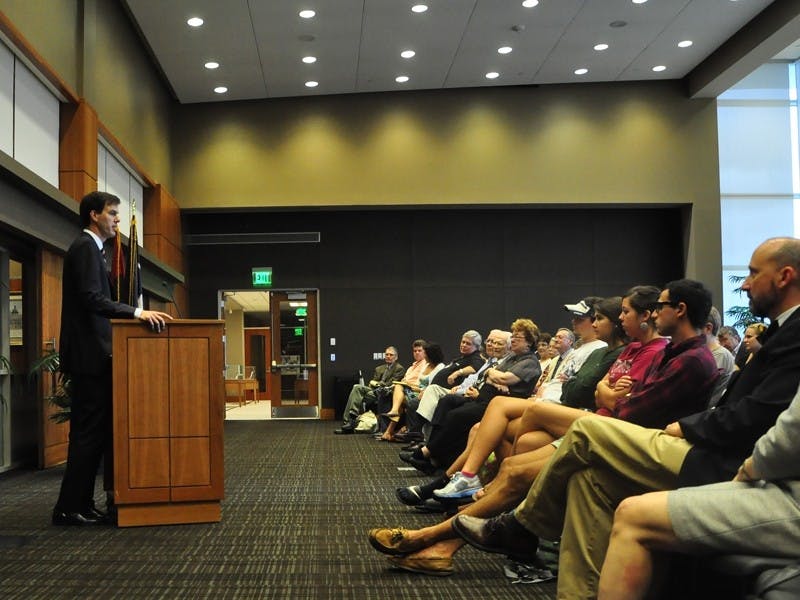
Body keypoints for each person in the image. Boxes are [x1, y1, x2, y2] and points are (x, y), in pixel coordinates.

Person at [450, 238, 800, 599]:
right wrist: (610, 394)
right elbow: (605, 394)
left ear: (785, 276)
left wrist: (690, 425)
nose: (744, 283)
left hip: (719, 456)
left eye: (754, 273)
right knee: (589, 480)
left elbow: (758, 417)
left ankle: (521, 523)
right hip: (705, 444)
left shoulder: (702, 356)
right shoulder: (757, 335)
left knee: (583, 428)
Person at [597, 380, 800, 600]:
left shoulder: (695, 359)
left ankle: (551, 529)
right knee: (590, 476)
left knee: (632, 514)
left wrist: (752, 466)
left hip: (766, 475)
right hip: (745, 459)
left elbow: (789, 437)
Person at [53, 191, 172, 526]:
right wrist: (136, 311)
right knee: (88, 435)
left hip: (96, 356)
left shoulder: (95, 250)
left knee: (93, 434)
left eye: (119, 215)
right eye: (112, 214)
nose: (117, 220)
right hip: (90, 357)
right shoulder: (85, 248)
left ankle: (80, 503)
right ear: (94, 215)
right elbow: (91, 298)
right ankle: (69, 508)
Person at [334, 346, 405, 434]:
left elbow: (390, 384)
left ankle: (351, 422)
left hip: (387, 392)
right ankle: (349, 421)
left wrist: (377, 383)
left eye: (391, 355)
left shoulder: (399, 369)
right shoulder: (379, 368)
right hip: (374, 391)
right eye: (386, 354)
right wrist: (375, 384)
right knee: (357, 387)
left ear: (396, 357)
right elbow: (371, 384)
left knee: (375, 393)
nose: (388, 356)